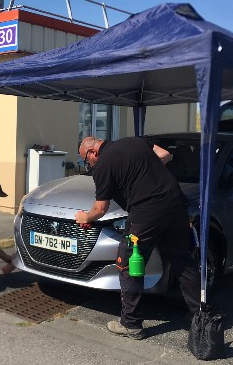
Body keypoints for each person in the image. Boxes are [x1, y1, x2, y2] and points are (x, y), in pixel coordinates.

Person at [75, 136, 200, 340]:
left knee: (128, 263)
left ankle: (131, 324)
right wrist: (145, 172)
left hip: (146, 214)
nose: (88, 164)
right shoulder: (134, 141)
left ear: (93, 152)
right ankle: (200, 315)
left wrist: (85, 217)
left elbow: (100, 208)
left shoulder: (103, 164)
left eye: (86, 160)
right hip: (176, 206)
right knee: (183, 261)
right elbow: (165, 155)